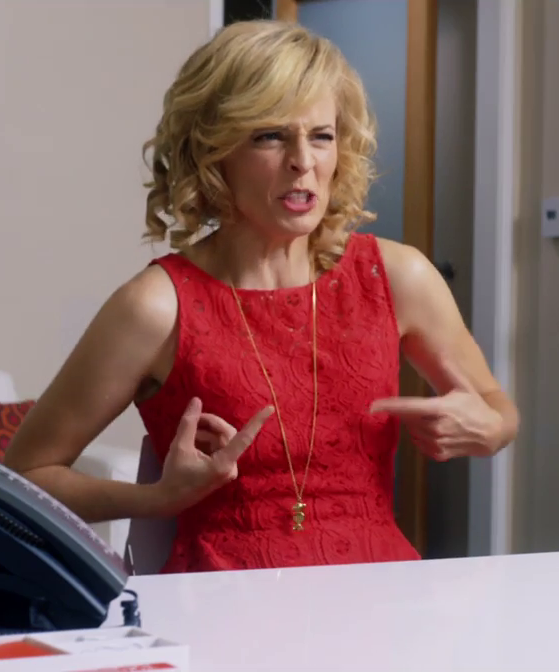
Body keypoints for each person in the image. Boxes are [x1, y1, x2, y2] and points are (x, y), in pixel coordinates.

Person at [5, 20, 518, 572]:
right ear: (214, 152)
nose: (304, 161)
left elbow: (497, 410)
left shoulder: (397, 276)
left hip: (383, 590)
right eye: (270, 136)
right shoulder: (156, 306)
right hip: (217, 600)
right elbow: (25, 476)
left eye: (321, 136)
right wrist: (156, 499)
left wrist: (488, 428)